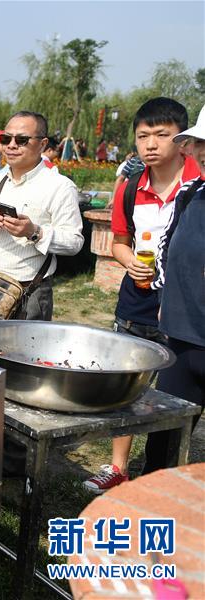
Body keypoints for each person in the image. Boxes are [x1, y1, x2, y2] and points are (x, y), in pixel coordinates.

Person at [82, 98, 199, 493]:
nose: (151, 144)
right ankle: (117, 465)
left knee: (171, 392)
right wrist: (129, 260)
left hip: (183, 306)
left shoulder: (196, 184)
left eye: (162, 135)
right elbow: (118, 241)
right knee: (126, 382)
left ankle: (159, 473)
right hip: (138, 298)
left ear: (183, 140)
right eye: (142, 136)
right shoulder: (131, 187)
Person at [0, 111, 84, 320]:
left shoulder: (59, 187)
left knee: (23, 353)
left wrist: (34, 232)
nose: (12, 145)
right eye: (6, 139)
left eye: (22, 140)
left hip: (30, 293)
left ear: (42, 144)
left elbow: (74, 242)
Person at [143, 103, 205, 475]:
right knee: (164, 437)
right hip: (181, 338)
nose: (200, 152)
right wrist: (167, 297)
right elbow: (168, 247)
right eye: (199, 144)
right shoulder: (191, 194)